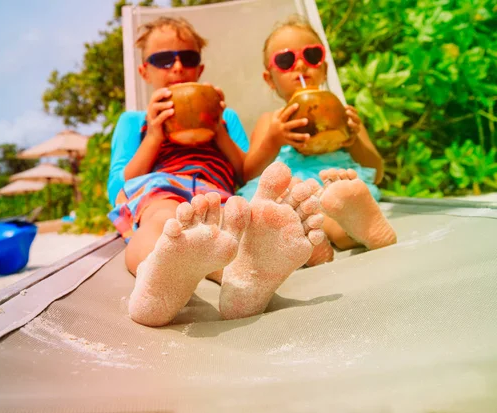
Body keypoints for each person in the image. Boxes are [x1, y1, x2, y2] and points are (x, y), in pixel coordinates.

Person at [107, 16, 325, 326]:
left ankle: (242, 282)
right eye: (163, 60)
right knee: (163, 223)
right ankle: (160, 280)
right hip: (161, 189)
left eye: (188, 58)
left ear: (200, 70)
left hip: (218, 194)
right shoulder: (135, 121)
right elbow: (119, 183)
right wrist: (155, 133)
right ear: (145, 72)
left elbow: (243, 172)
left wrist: (218, 127)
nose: (178, 67)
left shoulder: (225, 117)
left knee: (232, 234)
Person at [237, 14, 397, 266]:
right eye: (286, 60)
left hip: (333, 186)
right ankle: (311, 243)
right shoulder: (270, 121)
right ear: (270, 79)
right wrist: (274, 140)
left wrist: (352, 138)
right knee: (283, 205)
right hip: (293, 192)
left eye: (311, 56)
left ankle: (355, 230)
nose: (300, 66)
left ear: (323, 68)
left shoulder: (343, 112)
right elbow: (248, 173)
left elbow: (375, 171)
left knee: (335, 210)